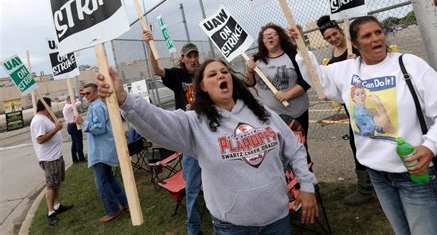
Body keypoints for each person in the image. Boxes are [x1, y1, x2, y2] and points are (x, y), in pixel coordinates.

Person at [290, 16, 437, 235]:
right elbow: (318, 78)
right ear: (355, 43)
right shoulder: (347, 70)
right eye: (367, 35)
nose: (376, 38)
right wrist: (300, 46)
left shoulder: (409, 64)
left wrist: (430, 146)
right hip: (378, 175)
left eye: (378, 32)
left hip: (415, 174)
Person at [97, 59, 318, 234]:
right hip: (233, 227)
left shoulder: (262, 112)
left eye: (224, 71)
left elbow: (294, 148)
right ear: (202, 86)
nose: (221, 75)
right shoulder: (195, 122)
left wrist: (307, 186)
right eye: (212, 74)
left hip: (277, 220)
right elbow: (158, 121)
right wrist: (124, 98)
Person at [143, 30, 202, 235]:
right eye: (189, 56)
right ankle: (193, 228)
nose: (193, 59)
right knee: (192, 186)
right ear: (183, 59)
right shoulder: (178, 76)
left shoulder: (205, 74)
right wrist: (150, 45)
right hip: (189, 139)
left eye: (195, 55)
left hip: (209, 134)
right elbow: (156, 69)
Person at [317, 15, 376, 206]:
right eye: (328, 38)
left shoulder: (356, 48)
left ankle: (376, 185)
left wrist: (358, 61)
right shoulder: (332, 58)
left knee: (375, 140)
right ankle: (367, 187)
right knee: (356, 144)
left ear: (342, 31)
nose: (333, 39)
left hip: (369, 105)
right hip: (351, 109)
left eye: (335, 34)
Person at [244, 23, 311, 159]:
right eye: (265, 36)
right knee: (277, 151)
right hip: (271, 116)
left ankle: (306, 179)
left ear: (280, 37)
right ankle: (286, 180)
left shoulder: (293, 55)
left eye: (273, 34)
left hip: (296, 114)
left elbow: (306, 80)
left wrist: (288, 94)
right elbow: (249, 82)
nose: (269, 37)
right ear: (262, 41)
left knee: (300, 148)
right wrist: (249, 70)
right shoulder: (257, 59)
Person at [75, 83, 128, 224]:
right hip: (102, 149)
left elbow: (99, 128)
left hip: (101, 151)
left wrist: (83, 123)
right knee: (109, 178)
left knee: (101, 182)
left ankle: (113, 210)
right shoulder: (95, 106)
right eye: (84, 94)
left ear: (96, 93)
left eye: (88, 93)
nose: (86, 96)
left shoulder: (98, 106)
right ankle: (124, 202)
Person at [30, 97, 73, 227]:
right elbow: (40, 139)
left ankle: (57, 205)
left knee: (56, 183)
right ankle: (50, 212)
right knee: (51, 185)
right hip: (49, 159)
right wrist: (56, 129)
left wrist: (55, 126)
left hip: (55, 156)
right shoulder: (38, 121)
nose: (51, 108)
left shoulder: (45, 118)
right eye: (50, 106)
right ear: (46, 106)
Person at [62, 96, 86, 164]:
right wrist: (75, 101)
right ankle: (81, 158)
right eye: (72, 100)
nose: (74, 101)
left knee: (75, 143)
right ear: (68, 100)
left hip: (72, 126)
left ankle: (75, 159)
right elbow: (79, 103)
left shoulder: (68, 107)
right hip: (73, 126)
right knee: (78, 142)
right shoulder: (67, 107)